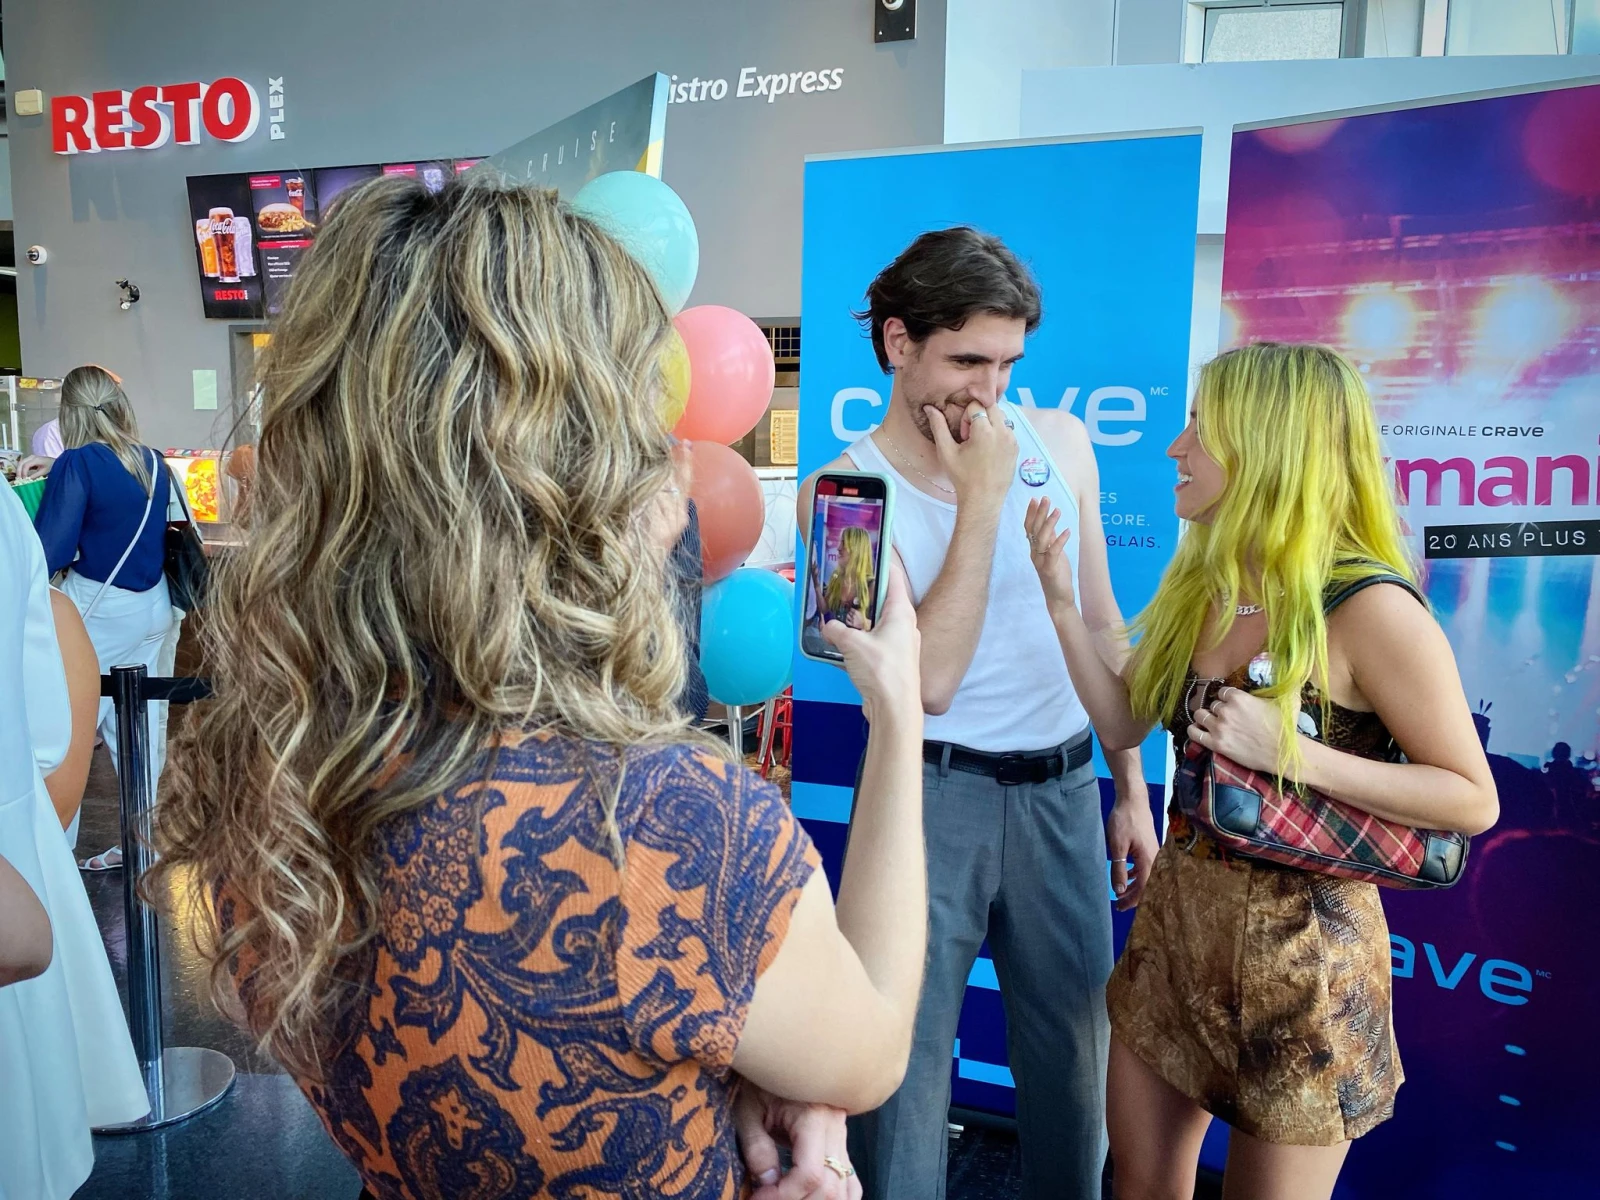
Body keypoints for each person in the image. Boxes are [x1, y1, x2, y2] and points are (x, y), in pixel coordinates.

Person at [149, 175, 931, 1199]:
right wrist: (899, 712)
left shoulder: (266, 765)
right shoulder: (666, 826)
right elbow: (871, 1047)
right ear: (581, 467)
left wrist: (730, 1067)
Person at [1023, 342, 1498, 1200]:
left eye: (1200, 428)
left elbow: (1471, 799)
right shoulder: (1203, 581)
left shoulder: (1369, 607)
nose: (1176, 447)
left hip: (1306, 980)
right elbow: (1123, 720)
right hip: (1175, 946)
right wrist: (1060, 602)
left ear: (1267, 444)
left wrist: (1293, 752)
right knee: (1139, 1186)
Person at [799, 227, 1159, 1200]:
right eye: (967, 361)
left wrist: (1128, 787)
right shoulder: (839, 497)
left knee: (1076, 1073)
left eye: (1007, 365)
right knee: (901, 1075)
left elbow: (1100, 620)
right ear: (897, 343)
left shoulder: (1062, 441)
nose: (988, 391)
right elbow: (926, 687)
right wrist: (980, 503)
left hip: (1062, 788)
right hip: (924, 796)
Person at [0, 482, 148, 1200]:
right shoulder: (6, 513)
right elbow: (54, 750)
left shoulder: (72, 471)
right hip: (139, 614)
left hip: (101, 607)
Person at [32, 365, 182, 872]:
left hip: (98, 609)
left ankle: (51, 855)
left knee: (68, 729)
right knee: (136, 726)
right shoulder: (153, 460)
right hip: (153, 605)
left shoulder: (77, 464)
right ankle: (144, 841)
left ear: (69, 412)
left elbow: (49, 551)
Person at [822, 526, 877, 631]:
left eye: (844, 543)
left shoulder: (871, 586)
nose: (838, 548)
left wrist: (865, 623)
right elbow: (824, 608)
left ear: (856, 549)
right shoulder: (836, 578)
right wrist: (815, 584)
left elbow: (886, 628)